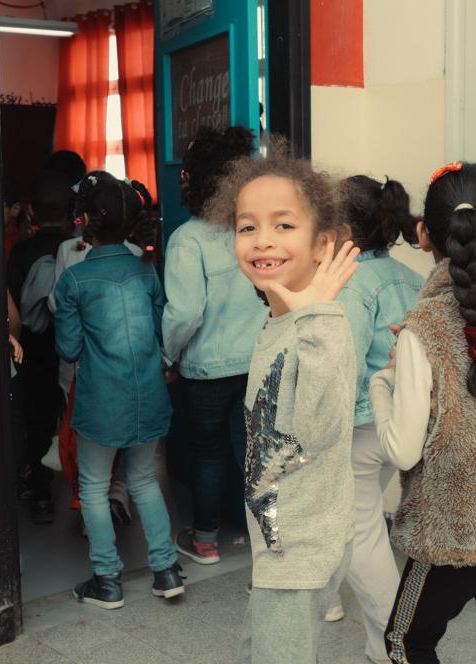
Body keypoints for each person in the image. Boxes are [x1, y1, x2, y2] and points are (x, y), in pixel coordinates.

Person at [203, 147, 360, 662]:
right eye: (247, 227)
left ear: (322, 245)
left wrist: (316, 314)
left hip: (301, 553)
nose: (262, 240)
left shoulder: (321, 328)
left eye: (284, 225)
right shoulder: (281, 322)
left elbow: (319, 429)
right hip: (279, 548)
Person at [53, 173, 183, 609]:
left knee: (93, 486)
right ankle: (166, 571)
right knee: (144, 480)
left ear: (86, 220)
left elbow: (69, 348)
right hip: (148, 393)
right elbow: (162, 331)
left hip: (101, 400)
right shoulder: (147, 272)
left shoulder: (74, 281)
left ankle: (107, 580)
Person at [371, 161, 476, 664]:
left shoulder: (425, 327)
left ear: (423, 234)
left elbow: (404, 449)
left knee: (405, 642)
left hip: (452, 527)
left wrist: (386, 381)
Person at [326, 175, 424, 662]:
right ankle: (373, 635)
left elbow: (342, 368)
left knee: (359, 528)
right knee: (358, 520)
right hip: (396, 422)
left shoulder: (351, 286)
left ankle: (391, 642)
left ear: (343, 227)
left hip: (359, 426)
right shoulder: (410, 276)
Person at [161, 126, 267, 565]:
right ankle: (263, 537)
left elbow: (184, 313)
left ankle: (204, 540)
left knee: (208, 454)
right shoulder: (256, 230)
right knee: (255, 451)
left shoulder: (189, 239)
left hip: (206, 370)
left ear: (199, 180)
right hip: (256, 360)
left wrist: (168, 355)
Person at [7, 170, 71, 524]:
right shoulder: (75, 249)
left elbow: (11, 304)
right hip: (67, 347)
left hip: (30, 348)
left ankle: (41, 493)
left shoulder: (21, 252)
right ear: (68, 213)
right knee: (74, 416)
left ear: (31, 212)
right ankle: (86, 490)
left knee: (35, 418)